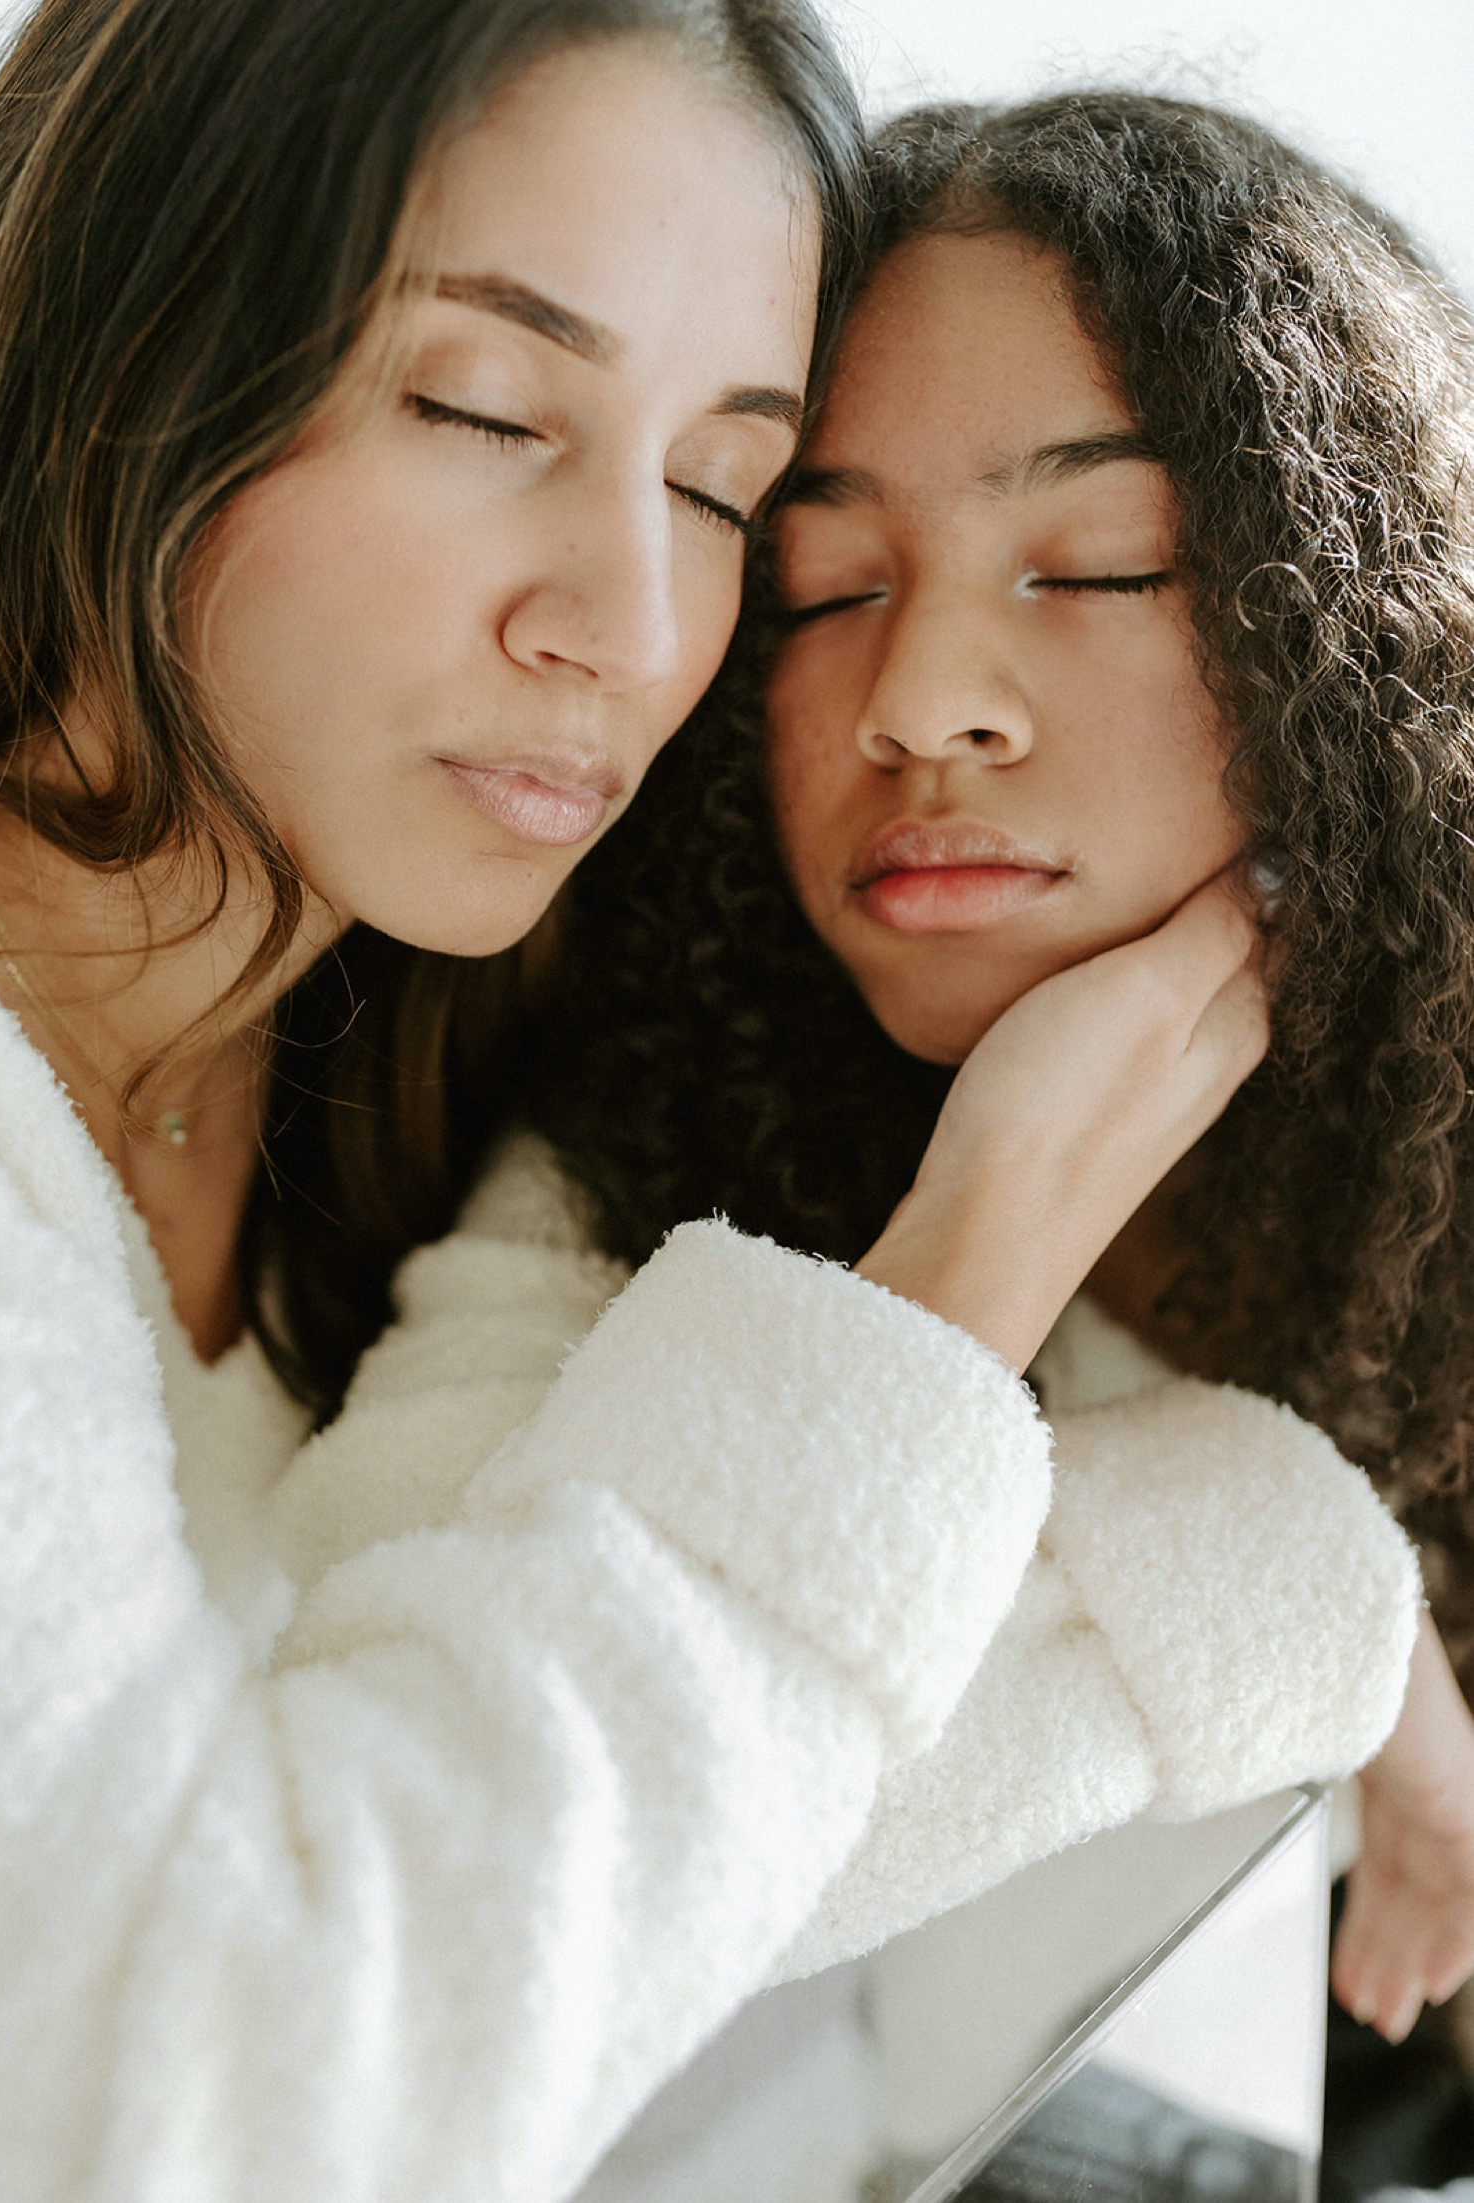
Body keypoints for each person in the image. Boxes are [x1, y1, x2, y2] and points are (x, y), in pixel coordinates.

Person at [0, 9, 1412, 2202]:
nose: (638, 625)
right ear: (129, 332)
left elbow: (602, 1885)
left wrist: (1296, 1580)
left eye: (724, 494)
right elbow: (221, 2114)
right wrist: (982, 1281)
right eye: (482, 407)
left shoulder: (434, 1046)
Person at [518, 86, 1474, 2182]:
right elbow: (531, 1932)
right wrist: (990, 1238)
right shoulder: (619, 1141)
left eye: (1100, 563)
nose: (926, 697)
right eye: (829, 585)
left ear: (1354, 622)